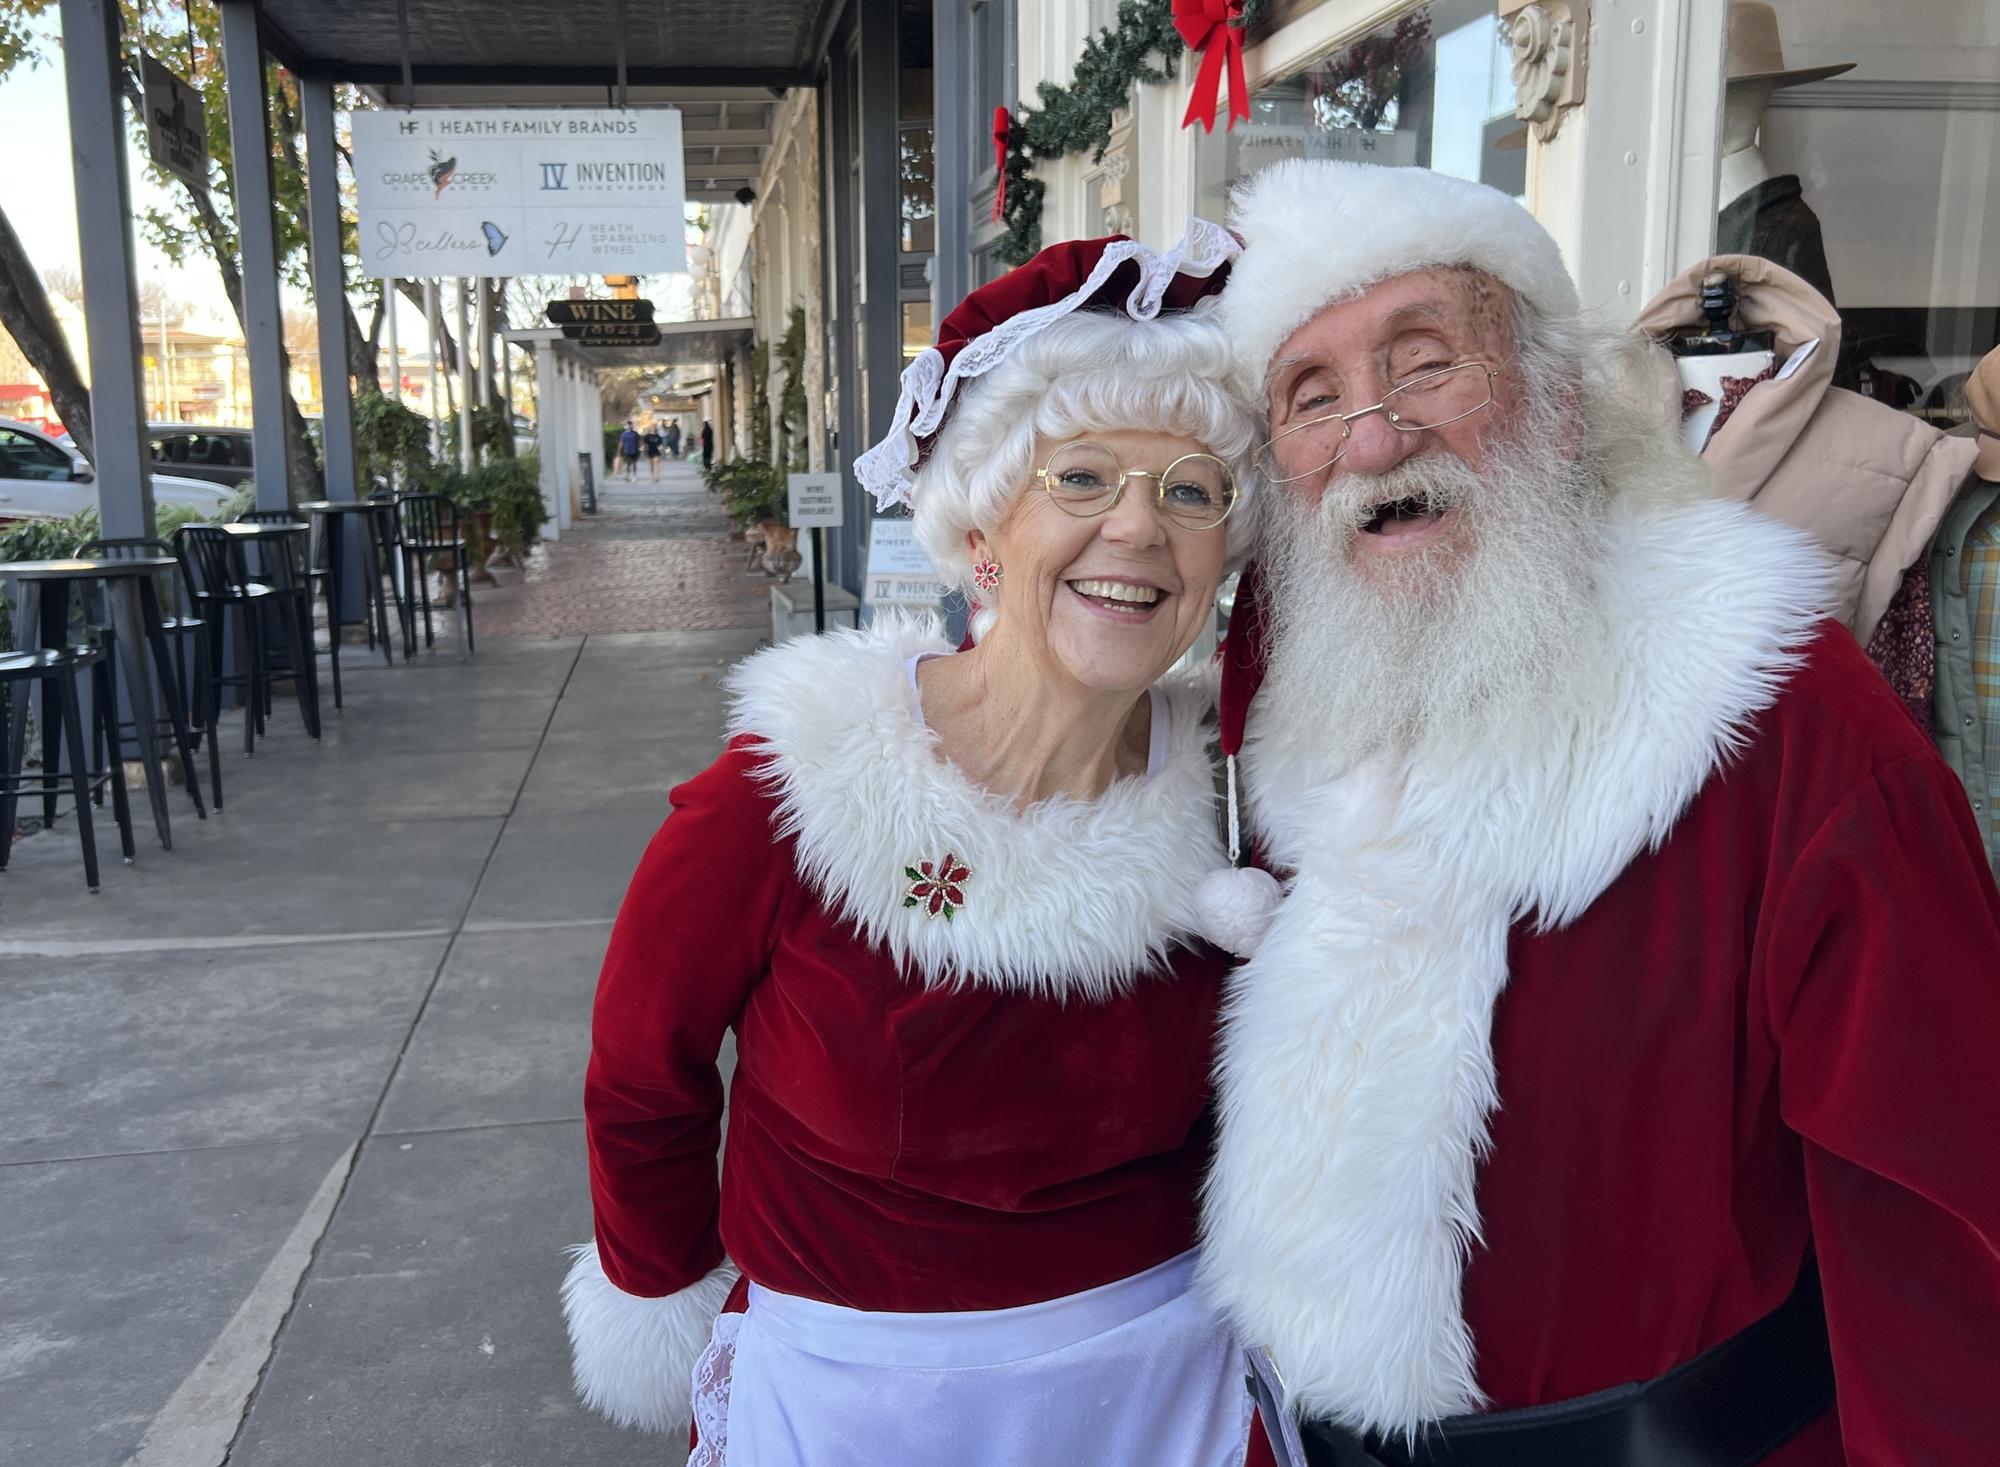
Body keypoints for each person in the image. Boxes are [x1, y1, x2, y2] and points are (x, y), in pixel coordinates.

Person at [1194, 161, 2000, 1466]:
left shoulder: (1787, 723)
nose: (1372, 436)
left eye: (1426, 361)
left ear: (1560, 401)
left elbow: (1945, 1233)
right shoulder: (1297, 727)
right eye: (1313, 394)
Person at [563, 223, 1264, 1466]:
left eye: (1191, 490)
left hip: (1171, 1401)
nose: (1139, 530)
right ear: (982, 531)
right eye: (1082, 477)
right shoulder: (796, 786)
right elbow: (639, 1074)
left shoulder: (1237, 801)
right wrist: (661, 1283)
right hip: (859, 1408)